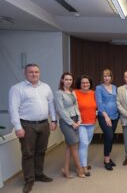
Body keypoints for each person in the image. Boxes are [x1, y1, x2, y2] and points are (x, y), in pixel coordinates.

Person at [9, 63, 57, 193]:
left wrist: (53, 120)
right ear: (25, 73)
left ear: (39, 73)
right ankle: (29, 179)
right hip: (27, 125)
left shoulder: (46, 87)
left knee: (41, 151)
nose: (34, 74)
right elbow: (13, 109)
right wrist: (18, 127)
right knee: (28, 153)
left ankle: (39, 174)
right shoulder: (17, 88)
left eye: (36, 72)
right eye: (31, 72)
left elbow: (51, 104)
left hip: (44, 124)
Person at [55, 72, 85, 179]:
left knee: (69, 146)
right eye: (66, 79)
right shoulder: (59, 93)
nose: (68, 81)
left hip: (76, 119)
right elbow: (61, 110)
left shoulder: (72, 92)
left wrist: (79, 119)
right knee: (74, 145)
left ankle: (65, 169)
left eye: (70, 80)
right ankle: (79, 168)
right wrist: (72, 123)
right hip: (66, 121)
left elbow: (76, 106)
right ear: (62, 80)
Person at [95, 69, 119, 171]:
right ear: (102, 77)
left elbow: (117, 101)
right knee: (108, 136)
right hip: (104, 116)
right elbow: (99, 104)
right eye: (105, 76)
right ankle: (106, 160)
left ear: (111, 77)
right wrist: (106, 116)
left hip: (115, 116)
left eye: (108, 76)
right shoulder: (99, 88)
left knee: (111, 137)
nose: (106, 78)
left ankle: (108, 156)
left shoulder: (114, 87)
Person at [75, 75, 97, 176]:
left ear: (90, 84)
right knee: (83, 144)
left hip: (91, 122)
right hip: (80, 123)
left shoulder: (93, 93)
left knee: (85, 144)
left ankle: (82, 163)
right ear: (80, 84)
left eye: (87, 82)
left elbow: (96, 106)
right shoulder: (75, 93)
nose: (85, 84)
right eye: (83, 82)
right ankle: (83, 167)